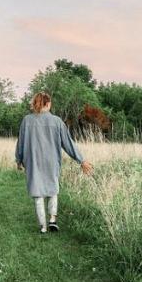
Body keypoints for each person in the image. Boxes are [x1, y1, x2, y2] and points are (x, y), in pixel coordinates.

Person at [15, 92, 93, 234]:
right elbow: (68, 143)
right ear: (48, 104)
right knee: (53, 190)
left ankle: (43, 227)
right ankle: (52, 219)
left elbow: (20, 142)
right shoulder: (57, 121)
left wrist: (19, 160)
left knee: (37, 193)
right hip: (51, 162)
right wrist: (81, 160)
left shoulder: (27, 120)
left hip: (33, 161)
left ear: (35, 103)